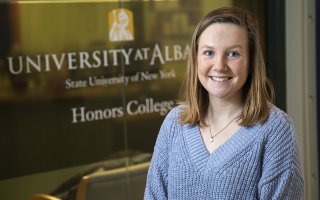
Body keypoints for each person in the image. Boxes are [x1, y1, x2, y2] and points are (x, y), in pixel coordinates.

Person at [144, 6, 304, 200]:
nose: (219, 65)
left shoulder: (275, 130)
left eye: (233, 54)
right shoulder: (174, 123)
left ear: (251, 61)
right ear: (196, 59)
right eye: (209, 53)